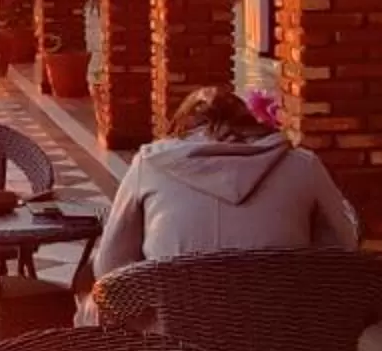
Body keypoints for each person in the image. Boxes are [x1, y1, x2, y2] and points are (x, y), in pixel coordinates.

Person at [93, 86, 358, 275]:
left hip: (172, 344)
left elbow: (109, 265)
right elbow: (344, 247)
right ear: (250, 124)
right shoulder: (302, 165)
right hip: (283, 339)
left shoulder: (150, 166)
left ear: (181, 128)